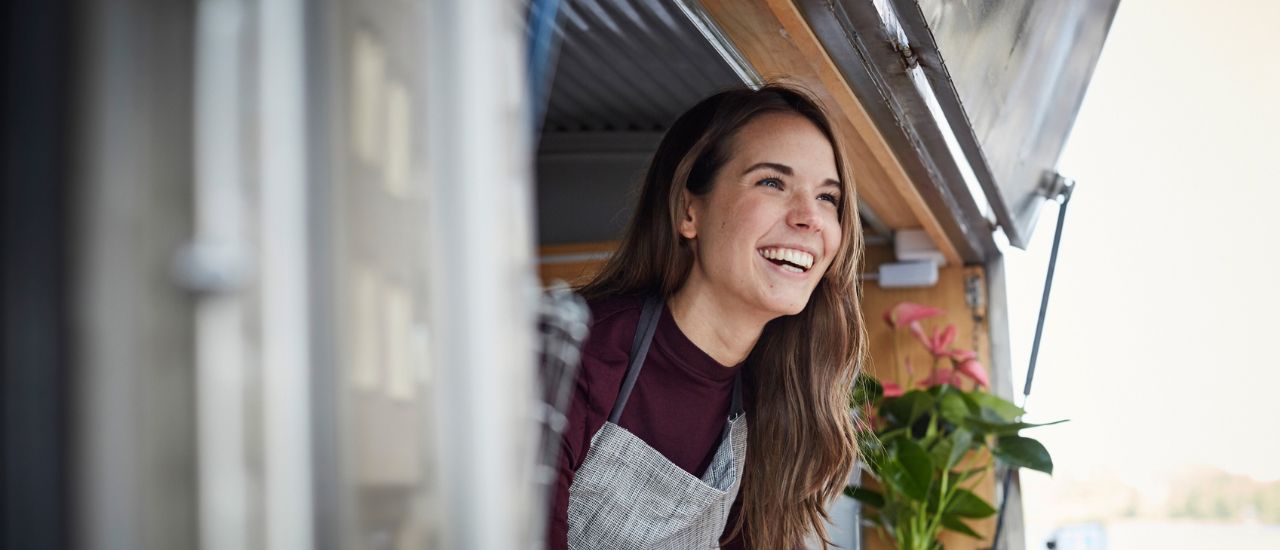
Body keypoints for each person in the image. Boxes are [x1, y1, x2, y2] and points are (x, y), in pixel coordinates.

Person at [546, 84, 867, 549]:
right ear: (688, 210)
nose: (808, 218)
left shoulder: (771, 402)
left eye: (827, 198)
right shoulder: (572, 351)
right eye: (772, 183)